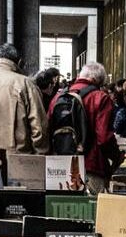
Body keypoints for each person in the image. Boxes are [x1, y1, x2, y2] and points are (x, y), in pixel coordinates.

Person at [50, 61, 119, 192]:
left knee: (62, 209)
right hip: (91, 167)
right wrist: (116, 157)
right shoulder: (100, 98)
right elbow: (104, 138)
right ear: (96, 81)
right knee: (91, 209)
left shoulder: (58, 97)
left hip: (59, 166)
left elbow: (47, 129)